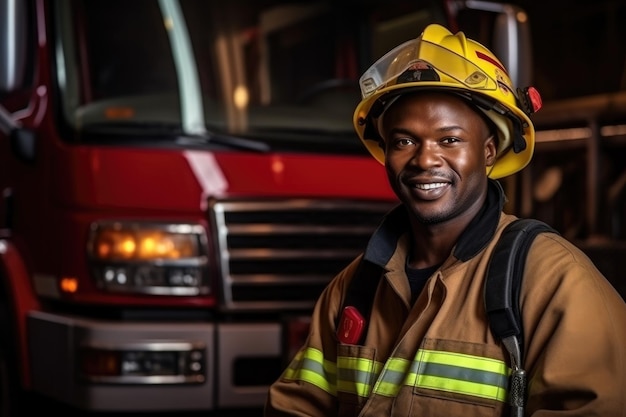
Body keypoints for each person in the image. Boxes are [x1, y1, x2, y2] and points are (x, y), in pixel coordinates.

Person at [264, 23, 626, 417]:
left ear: (488, 152)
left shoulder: (552, 279)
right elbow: (296, 406)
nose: (424, 159)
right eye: (404, 141)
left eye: (449, 140)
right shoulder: (355, 287)